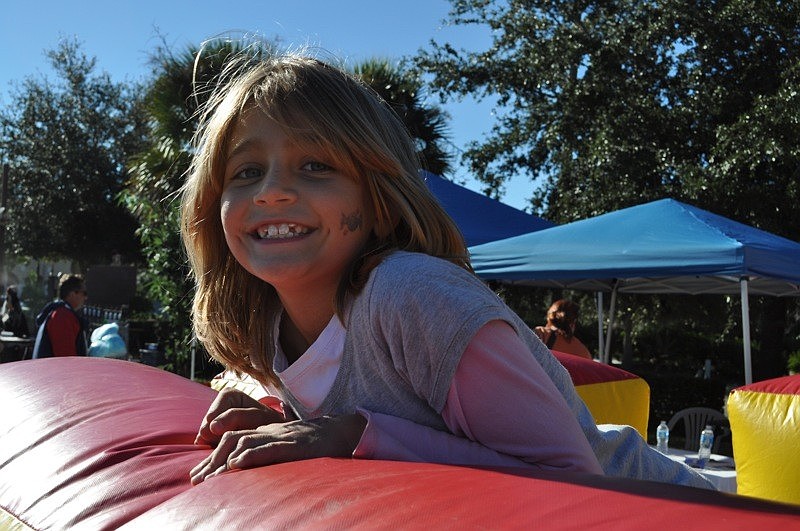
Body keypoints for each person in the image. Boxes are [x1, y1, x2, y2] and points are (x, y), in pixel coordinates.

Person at [182, 51, 712, 490]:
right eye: (246, 172)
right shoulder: (268, 327)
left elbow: (573, 477)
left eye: (316, 166)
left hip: (667, 505)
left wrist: (349, 435)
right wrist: (281, 416)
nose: (271, 190)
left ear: (380, 200)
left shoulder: (408, 294)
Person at [31, 274, 89, 358]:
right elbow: (66, 358)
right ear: (73, 293)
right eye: (84, 293)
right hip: (55, 370)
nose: (86, 297)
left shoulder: (61, 313)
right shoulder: (62, 316)